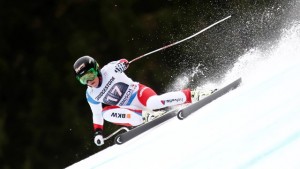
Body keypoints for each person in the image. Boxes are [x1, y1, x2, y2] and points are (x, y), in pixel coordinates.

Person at [73, 56, 199, 147]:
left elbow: (121, 62)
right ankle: (145, 116)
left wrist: (123, 64)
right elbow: (97, 114)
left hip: (139, 94)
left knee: (153, 103)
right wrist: (98, 133)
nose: (89, 81)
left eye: (90, 74)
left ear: (97, 69)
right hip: (131, 110)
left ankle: (192, 95)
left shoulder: (109, 70)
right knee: (105, 113)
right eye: (83, 80)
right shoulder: (91, 94)